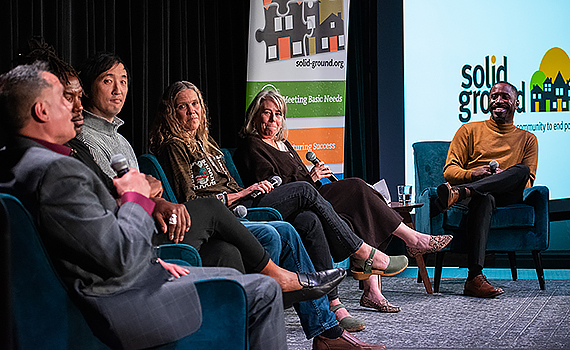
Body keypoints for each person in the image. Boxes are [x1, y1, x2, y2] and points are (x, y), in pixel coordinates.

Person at [76, 55, 379, 349]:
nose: (118, 89)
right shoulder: (101, 144)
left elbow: (146, 193)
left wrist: (152, 194)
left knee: (300, 223)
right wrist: (153, 195)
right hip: (172, 228)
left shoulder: (134, 141)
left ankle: (326, 327)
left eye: (124, 81)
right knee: (291, 208)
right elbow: (150, 198)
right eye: (108, 81)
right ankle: (352, 259)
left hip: (223, 213)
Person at [0, 62, 300, 350]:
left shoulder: (19, 162)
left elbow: (86, 241)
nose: (73, 107)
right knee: (263, 290)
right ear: (41, 111)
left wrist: (152, 261)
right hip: (116, 305)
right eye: (63, 100)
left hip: (116, 281)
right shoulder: (57, 173)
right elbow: (119, 255)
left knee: (233, 272)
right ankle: (278, 280)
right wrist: (136, 196)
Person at [148, 81, 410, 339]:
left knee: (310, 218)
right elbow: (191, 199)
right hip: (230, 211)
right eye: (183, 106)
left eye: (195, 104)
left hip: (243, 204)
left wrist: (249, 190)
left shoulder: (209, 145)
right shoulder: (175, 147)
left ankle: (328, 318)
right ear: (172, 113)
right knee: (307, 194)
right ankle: (361, 252)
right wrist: (244, 192)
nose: (192, 111)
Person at [233, 89, 453, 315]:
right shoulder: (253, 145)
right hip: (291, 202)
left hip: (312, 196)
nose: (273, 120)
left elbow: (303, 184)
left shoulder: (285, 145)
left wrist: (312, 178)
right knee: (356, 186)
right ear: (255, 116)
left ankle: (372, 291)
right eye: (267, 113)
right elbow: (274, 184)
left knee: (363, 205)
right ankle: (408, 242)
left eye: (278, 114)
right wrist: (311, 177)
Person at [433, 81, 538, 298]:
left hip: (508, 195)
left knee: (521, 171)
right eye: (494, 96)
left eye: (505, 97)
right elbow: (449, 171)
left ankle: (462, 192)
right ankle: (475, 278)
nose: (498, 101)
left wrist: (502, 177)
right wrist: (475, 174)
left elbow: (527, 182)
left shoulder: (528, 139)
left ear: (516, 103)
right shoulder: (468, 130)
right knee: (484, 197)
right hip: (480, 198)